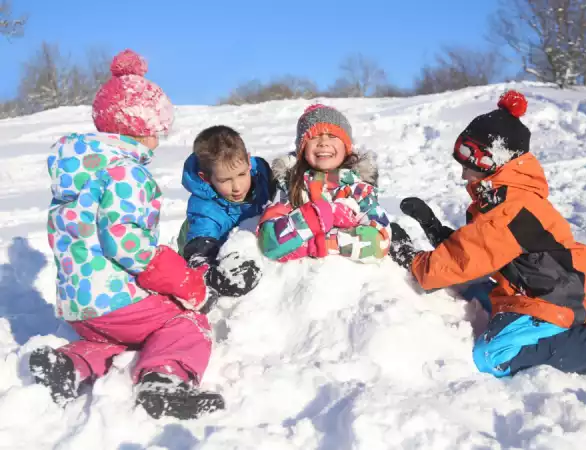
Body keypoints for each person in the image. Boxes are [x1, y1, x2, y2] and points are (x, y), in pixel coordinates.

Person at [31, 49, 233, 420]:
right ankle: (165, 380)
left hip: (77, 303)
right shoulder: (127, 173)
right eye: (158, 131)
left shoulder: (78, 173)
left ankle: (72, 363)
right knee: (183, 323)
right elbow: (127, 243)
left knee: (113, 339)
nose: (159, 139)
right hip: (115, 299)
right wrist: (186, 282)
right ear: (141, 128)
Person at [390, 90, 586, 377]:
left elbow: (464, 257)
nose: (464, 175)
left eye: (469, 166)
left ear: (492, 163)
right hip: (529, 288)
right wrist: (438, 232)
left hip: (557, 299)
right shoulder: (500, 198)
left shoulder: (510, 208)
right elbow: (480, 249)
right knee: (471, 291)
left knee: (491, 356)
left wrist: (410, 259)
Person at [258, 104, 391, 263]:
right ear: (302, 148)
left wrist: (323, 243)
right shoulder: (290, 186)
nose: (323, 142)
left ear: (346, 146)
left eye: (333, 136)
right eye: (314, 136)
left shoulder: (359, 190)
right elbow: (269, 242)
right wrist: (315, 216)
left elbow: (380, 242)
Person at [176, 125, 276, 300]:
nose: (237, 187)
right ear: (205, 178)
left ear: (248, 161)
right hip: (196, 242)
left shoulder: (260, 173)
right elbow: (199, 251)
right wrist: (216, 276)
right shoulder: (205, 209)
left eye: (242, 174)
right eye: (225, 180)